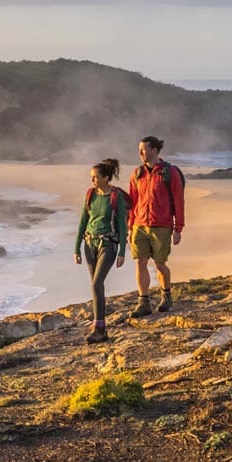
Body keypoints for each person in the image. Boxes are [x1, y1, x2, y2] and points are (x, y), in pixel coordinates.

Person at [125, 136, 186, 316]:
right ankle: (143, 302)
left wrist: (178, 228)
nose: (140, 153)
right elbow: (132, 202)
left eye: (143, 149)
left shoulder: (170, 172)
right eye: (139, 150)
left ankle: (166, 295)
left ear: (154, 150)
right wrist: (130, 226)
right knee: (140, 262)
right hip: (139, 224)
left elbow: (178, 201)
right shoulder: (137, 173)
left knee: (160, 264)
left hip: (162, 225)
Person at [73, 158, 128, 343]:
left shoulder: (115, 197)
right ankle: (100, 328)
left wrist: (122, 251)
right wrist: (76, 249)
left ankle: (99, 328)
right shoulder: (90, 195)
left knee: (96, 284)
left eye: (95, 177)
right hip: (89, 244)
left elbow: (122, 224)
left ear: (106, 177)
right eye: (91, 177)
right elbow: (82, 221)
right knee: (97, 287)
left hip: (108, 245)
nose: (92, 181)